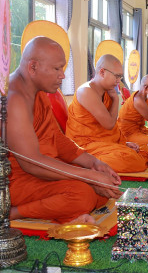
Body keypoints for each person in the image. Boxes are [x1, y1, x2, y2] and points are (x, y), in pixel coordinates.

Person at [7, 37, 122, 224]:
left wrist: (93, 164)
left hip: (42, 168)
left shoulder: (38, 91)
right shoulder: (15, 98)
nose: (63, 76)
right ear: (33, 67)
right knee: (82, 195)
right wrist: (88, 176)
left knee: (101, 188)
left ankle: (64, 208)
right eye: (57, 68)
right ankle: (13, 213)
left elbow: (56, 139)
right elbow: (31, 163)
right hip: (15, 179)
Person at [66, 54, 148, 173]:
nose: (119, 81)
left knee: (141, 150)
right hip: (84, 145)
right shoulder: (86, 91)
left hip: (101, 143)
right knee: (130, 159)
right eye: (117, 76)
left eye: (120, 77)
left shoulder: (107, 92)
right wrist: (116, 99)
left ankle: (110, 154)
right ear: (102, 72)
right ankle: (85, 161)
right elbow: (109, 124)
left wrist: (124, 143)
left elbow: (110, 129)